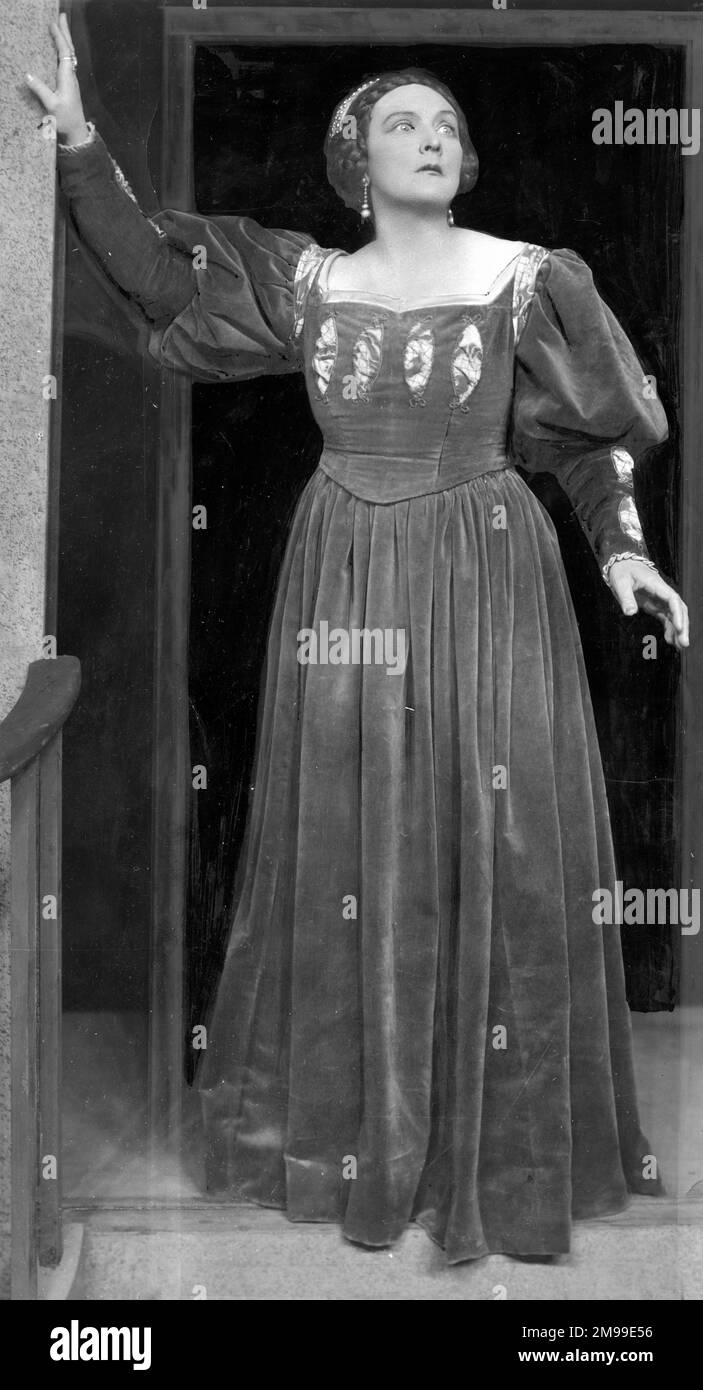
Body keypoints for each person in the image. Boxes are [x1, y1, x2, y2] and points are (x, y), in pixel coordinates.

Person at [28, 15, 689, 1265]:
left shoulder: (526, 276)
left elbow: (587, 435)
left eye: (446, 126)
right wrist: (76, 143)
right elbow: (158, 278)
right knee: (350, 835)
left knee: (501, 837)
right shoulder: (304, 283)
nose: (431, 137)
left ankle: (492, 1151)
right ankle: (363, 1141)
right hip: (342, 578)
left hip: (488, 573)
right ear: (355, 158)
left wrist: (624, 550)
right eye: (403, 122)